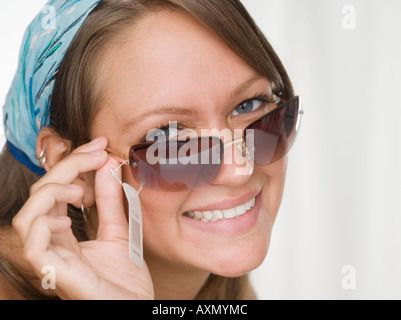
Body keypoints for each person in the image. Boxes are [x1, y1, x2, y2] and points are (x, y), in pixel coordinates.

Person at [0, 0, 302, 300]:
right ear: (74, 167)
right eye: (167, 135)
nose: (239, 170)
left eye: (248, 104)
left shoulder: (221, 291)